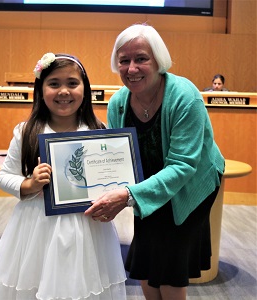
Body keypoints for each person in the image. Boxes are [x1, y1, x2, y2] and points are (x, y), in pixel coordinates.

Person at [85, 24, 225, 300]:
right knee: (147, 264)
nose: (131, 68)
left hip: (190, 185)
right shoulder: (118, 104)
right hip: (146, 187)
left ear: (158, 60)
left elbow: (183, 165)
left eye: (141, 59)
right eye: (124, 61)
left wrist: (126, 195)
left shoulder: (185, 96)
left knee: (171, 270)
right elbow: (119, 160)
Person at [0, 53, 127, 299]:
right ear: (41, 90)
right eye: (54, 84)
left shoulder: (98, 130)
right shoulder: (26, 131)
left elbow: (112, 175)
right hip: (36, 226)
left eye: (72, 83)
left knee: (86, 284)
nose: (64, 91)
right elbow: (5, 177)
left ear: (85, 89)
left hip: (88, 227)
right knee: (36, 284)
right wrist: (29, 184)